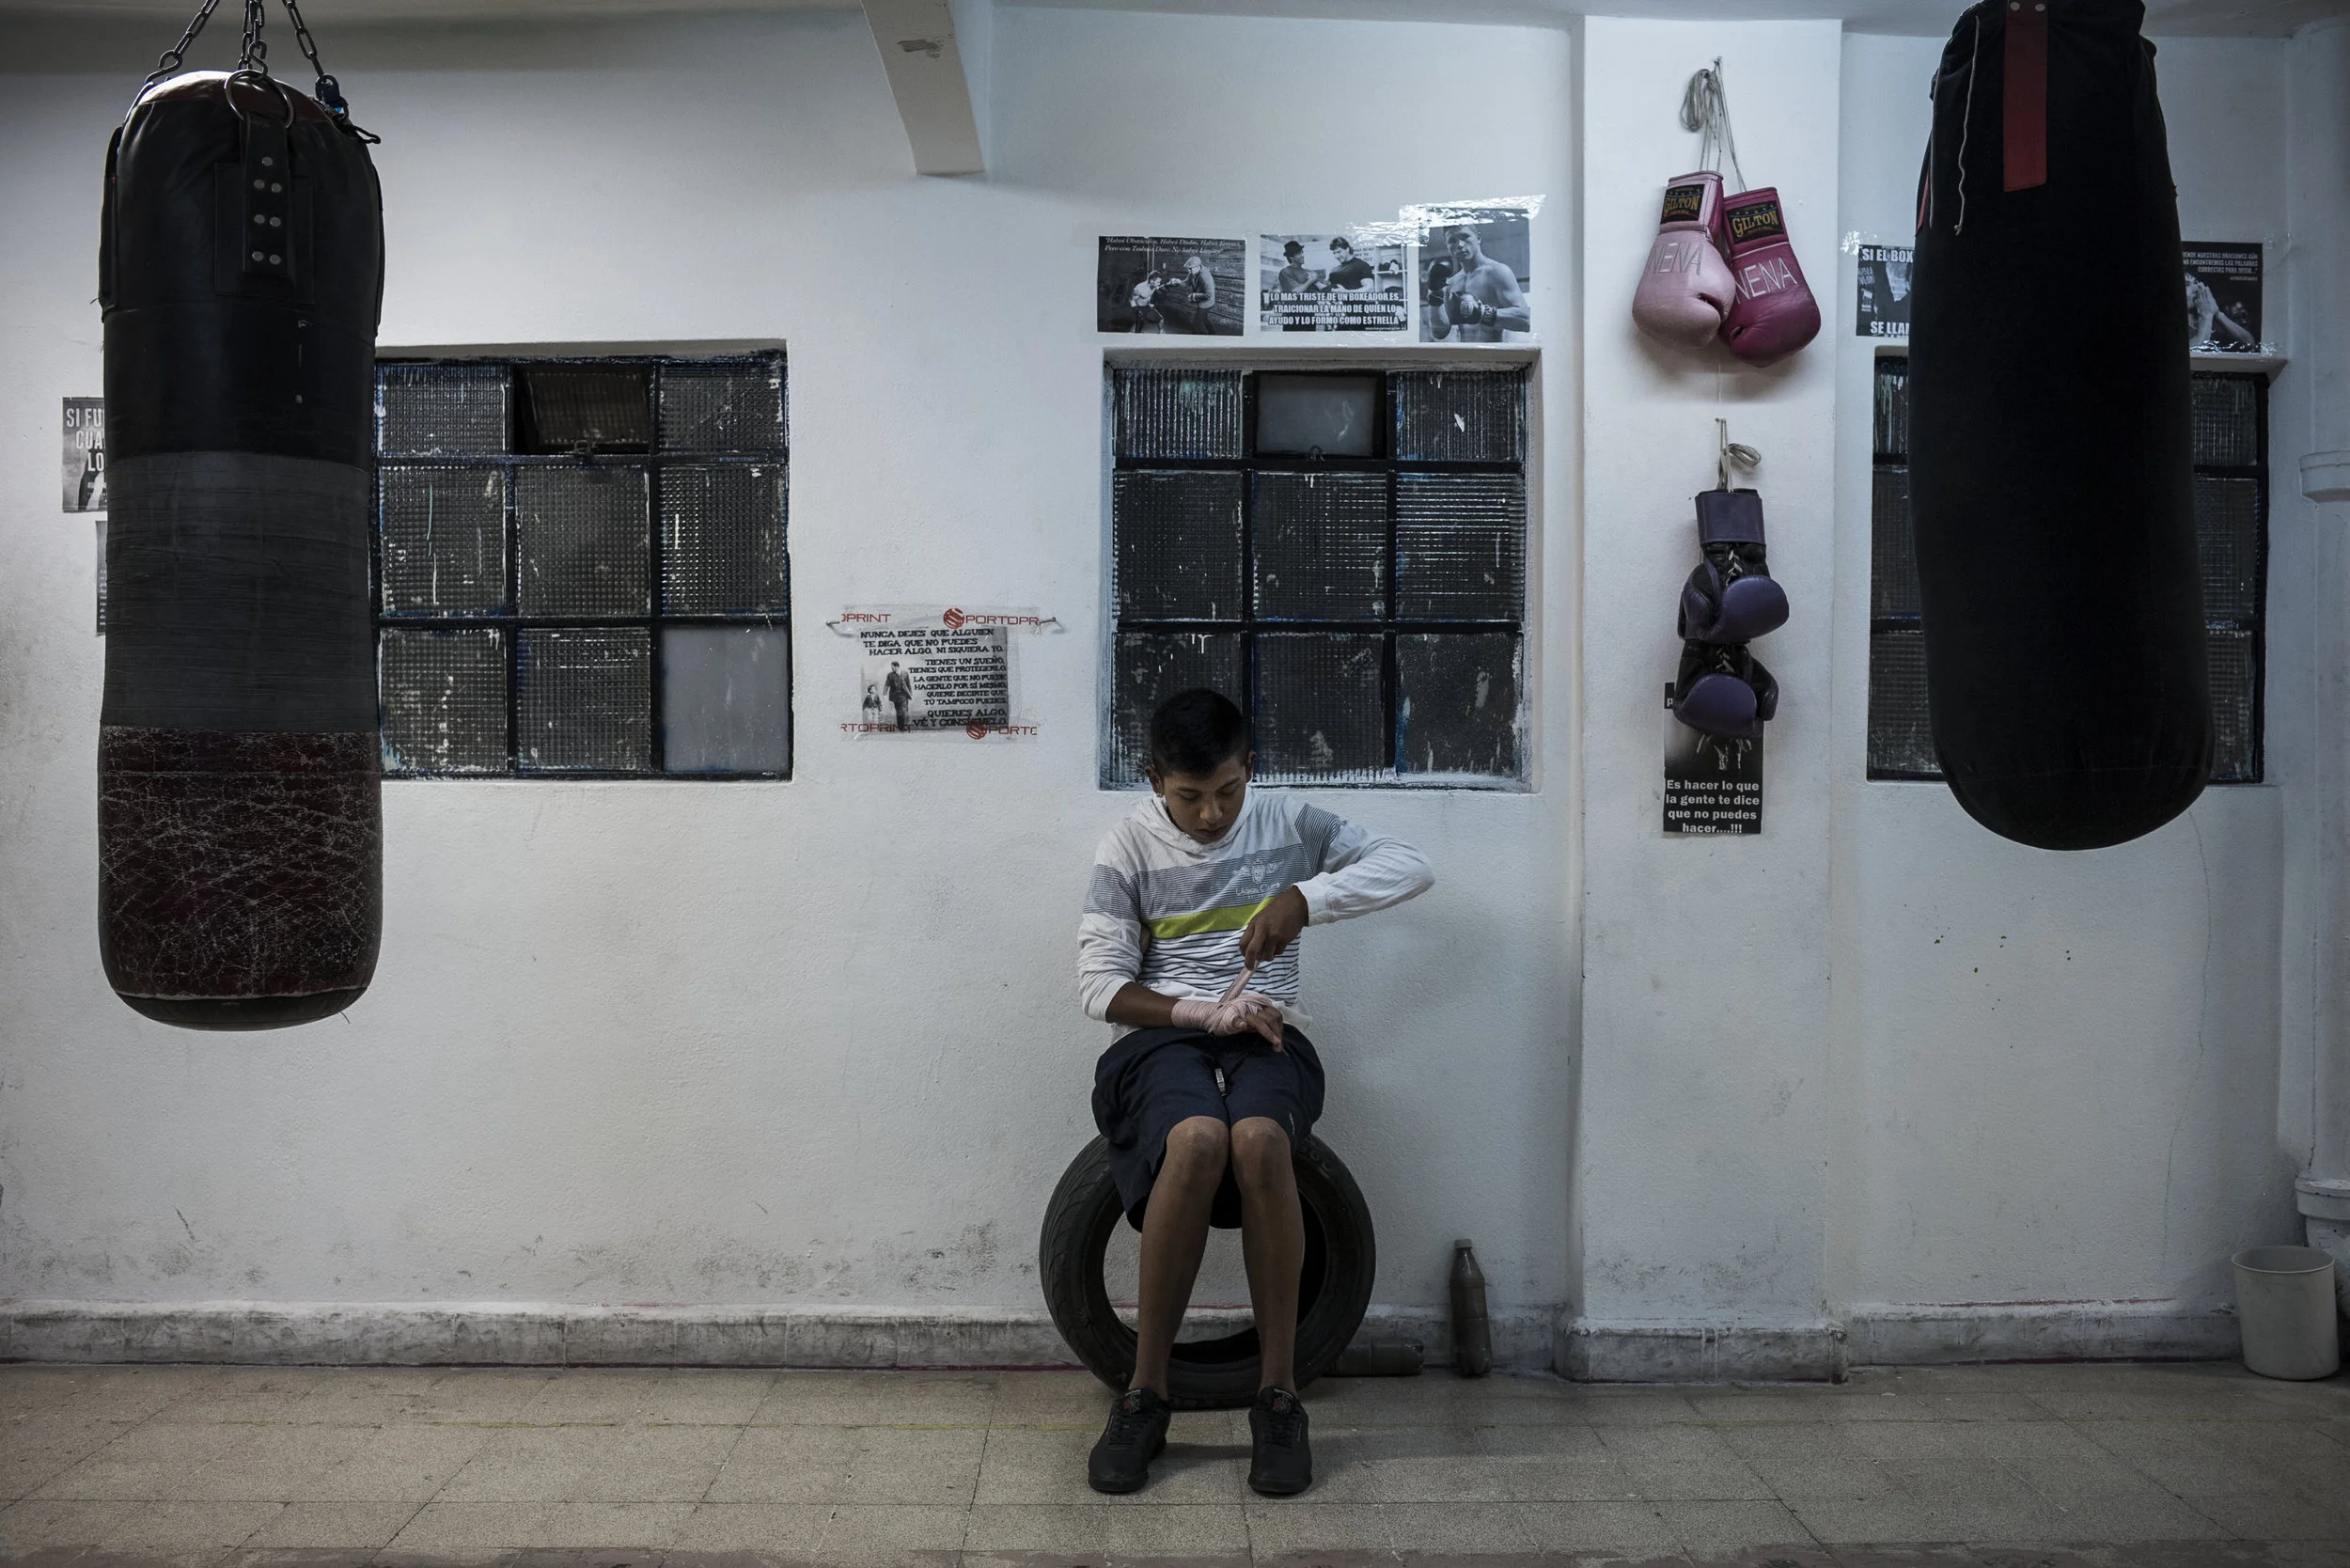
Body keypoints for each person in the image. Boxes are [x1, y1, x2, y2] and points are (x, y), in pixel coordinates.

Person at [1076, 689, 1433, 1498]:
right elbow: (1099, 986)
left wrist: (1306, 899)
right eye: (1190, 796)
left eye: (1228, 792)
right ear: (1155, 778)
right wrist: (1205, 1008)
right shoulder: (1126, 847)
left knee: (1261, 1141)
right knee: (1197, 1139)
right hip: (1162, 1039)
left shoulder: (1289, 823)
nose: (1210, 815)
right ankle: (1146, 1395)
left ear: (1251, 769)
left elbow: (1411, 864)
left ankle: (1278, 1397)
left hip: (1269, 1031)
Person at [1427, 224, 1528, 342]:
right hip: (1466, 356)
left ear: (1478, 238)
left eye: (1465, 237)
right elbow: (1439, 333)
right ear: (1447, 246)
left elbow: (1526, 320)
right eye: (1452, 241)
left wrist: (1482, 312)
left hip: (1495, 356)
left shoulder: (1496, 272)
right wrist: (1434, 293)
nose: (1459, 245)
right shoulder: (1451, 284)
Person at [884, 661, 914, 730]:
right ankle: (900, 727)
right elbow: (887, 684)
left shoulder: (905, 674)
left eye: (892, 667)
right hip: (894, 696)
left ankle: (905, 726)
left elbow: (908, 684)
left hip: (903, 695)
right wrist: (884, 694)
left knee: (905, 710)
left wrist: (910, 694)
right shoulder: (890, 675)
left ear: (896, 666)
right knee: (898, 712)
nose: (892, 668)